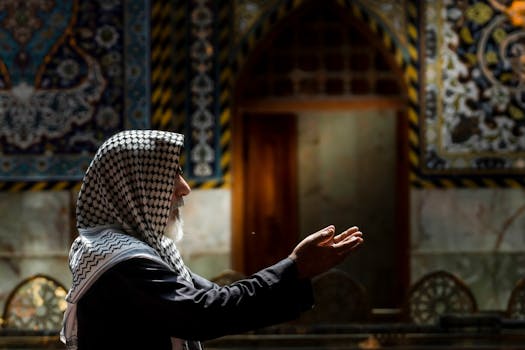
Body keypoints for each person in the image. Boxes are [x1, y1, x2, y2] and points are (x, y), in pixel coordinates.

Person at [60, 129, 363, 350]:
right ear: (131, 189)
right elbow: (202, 313)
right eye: (170, 176)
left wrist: (296, 271)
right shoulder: (117, 260)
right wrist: (295, 268)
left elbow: (219, 301)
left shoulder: (143, 251)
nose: (184, 188)